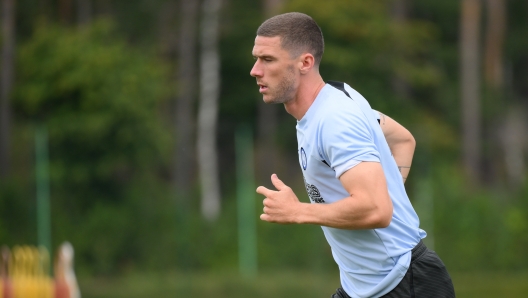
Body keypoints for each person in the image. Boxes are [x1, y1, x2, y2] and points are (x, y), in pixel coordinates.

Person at [250, 12, 455, 298]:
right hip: (363, 288)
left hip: (404, 283)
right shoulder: (334, 101)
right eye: (256, 58)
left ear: (305, 62)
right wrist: (386, 191)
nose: (255, 70)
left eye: (267, 59)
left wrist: (298, 211)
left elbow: (377, 210)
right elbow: (403, 140)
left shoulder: (335, 119)